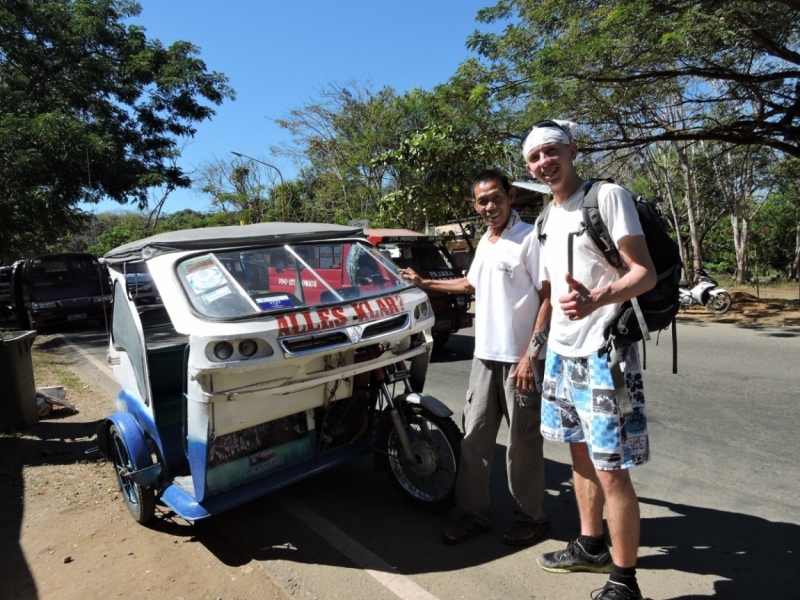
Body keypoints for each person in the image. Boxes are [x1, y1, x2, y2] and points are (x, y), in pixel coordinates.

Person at [522, 120, 656, 600]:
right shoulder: (545, 218)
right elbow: (550, 292)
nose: (543, 162)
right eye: (534, 157)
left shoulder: (607, 197)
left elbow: (644, 273)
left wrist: (598, 298)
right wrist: (538, 348)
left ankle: (624, 581)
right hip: (561, 353)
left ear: (573, 150)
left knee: (610, 467)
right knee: (578, 453)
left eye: (550, 151)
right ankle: (589, 543)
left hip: (604, 355)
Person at [399, 169, 551, 547]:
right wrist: (424, 283)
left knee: (523, 444)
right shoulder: (486, 240)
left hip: (521, 361)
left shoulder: (529, 237)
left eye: (496, 197)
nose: (490, 206)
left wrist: (531, 355)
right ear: (474, 204)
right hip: (484, 359)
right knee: (474, 441)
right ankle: (476, 514)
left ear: (510, 196)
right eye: (482, 201)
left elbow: (548, 297)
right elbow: (470, 284)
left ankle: (529, 517)